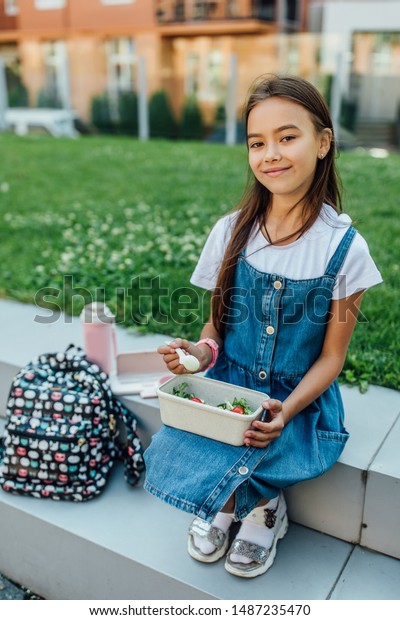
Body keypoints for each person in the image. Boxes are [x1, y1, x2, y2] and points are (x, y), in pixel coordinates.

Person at [143, 74, 382, 578]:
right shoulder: (231, 232)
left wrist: (286, 408)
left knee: (270, 441)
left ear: (323, 142)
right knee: (192, 437)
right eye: (257, 142)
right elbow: (215, 329)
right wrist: (199, 356)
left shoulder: (345, 250)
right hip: (231, 384)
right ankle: (231, 504)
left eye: (287, 137)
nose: (270, 153)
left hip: (296, 399)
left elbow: (332, 359)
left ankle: (262, 510)